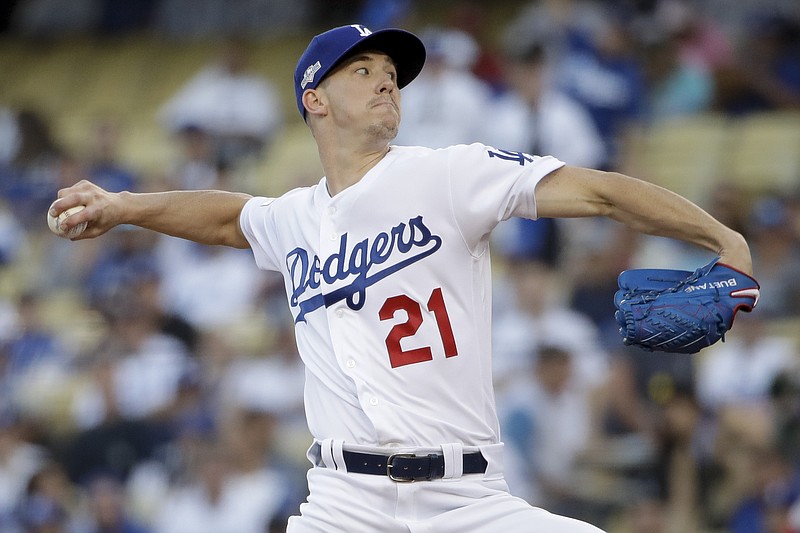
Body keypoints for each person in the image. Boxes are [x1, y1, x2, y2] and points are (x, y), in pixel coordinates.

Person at [48, 23, 755, 533]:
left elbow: (598, 191)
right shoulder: (296, 216)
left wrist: (722, 236)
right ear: (314, 98)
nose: (386, 75)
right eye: (362, 69)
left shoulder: (449, 173)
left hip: (468, 499)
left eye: (392, 70)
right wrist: (126, 206)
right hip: (342, 502)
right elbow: (230, 218)